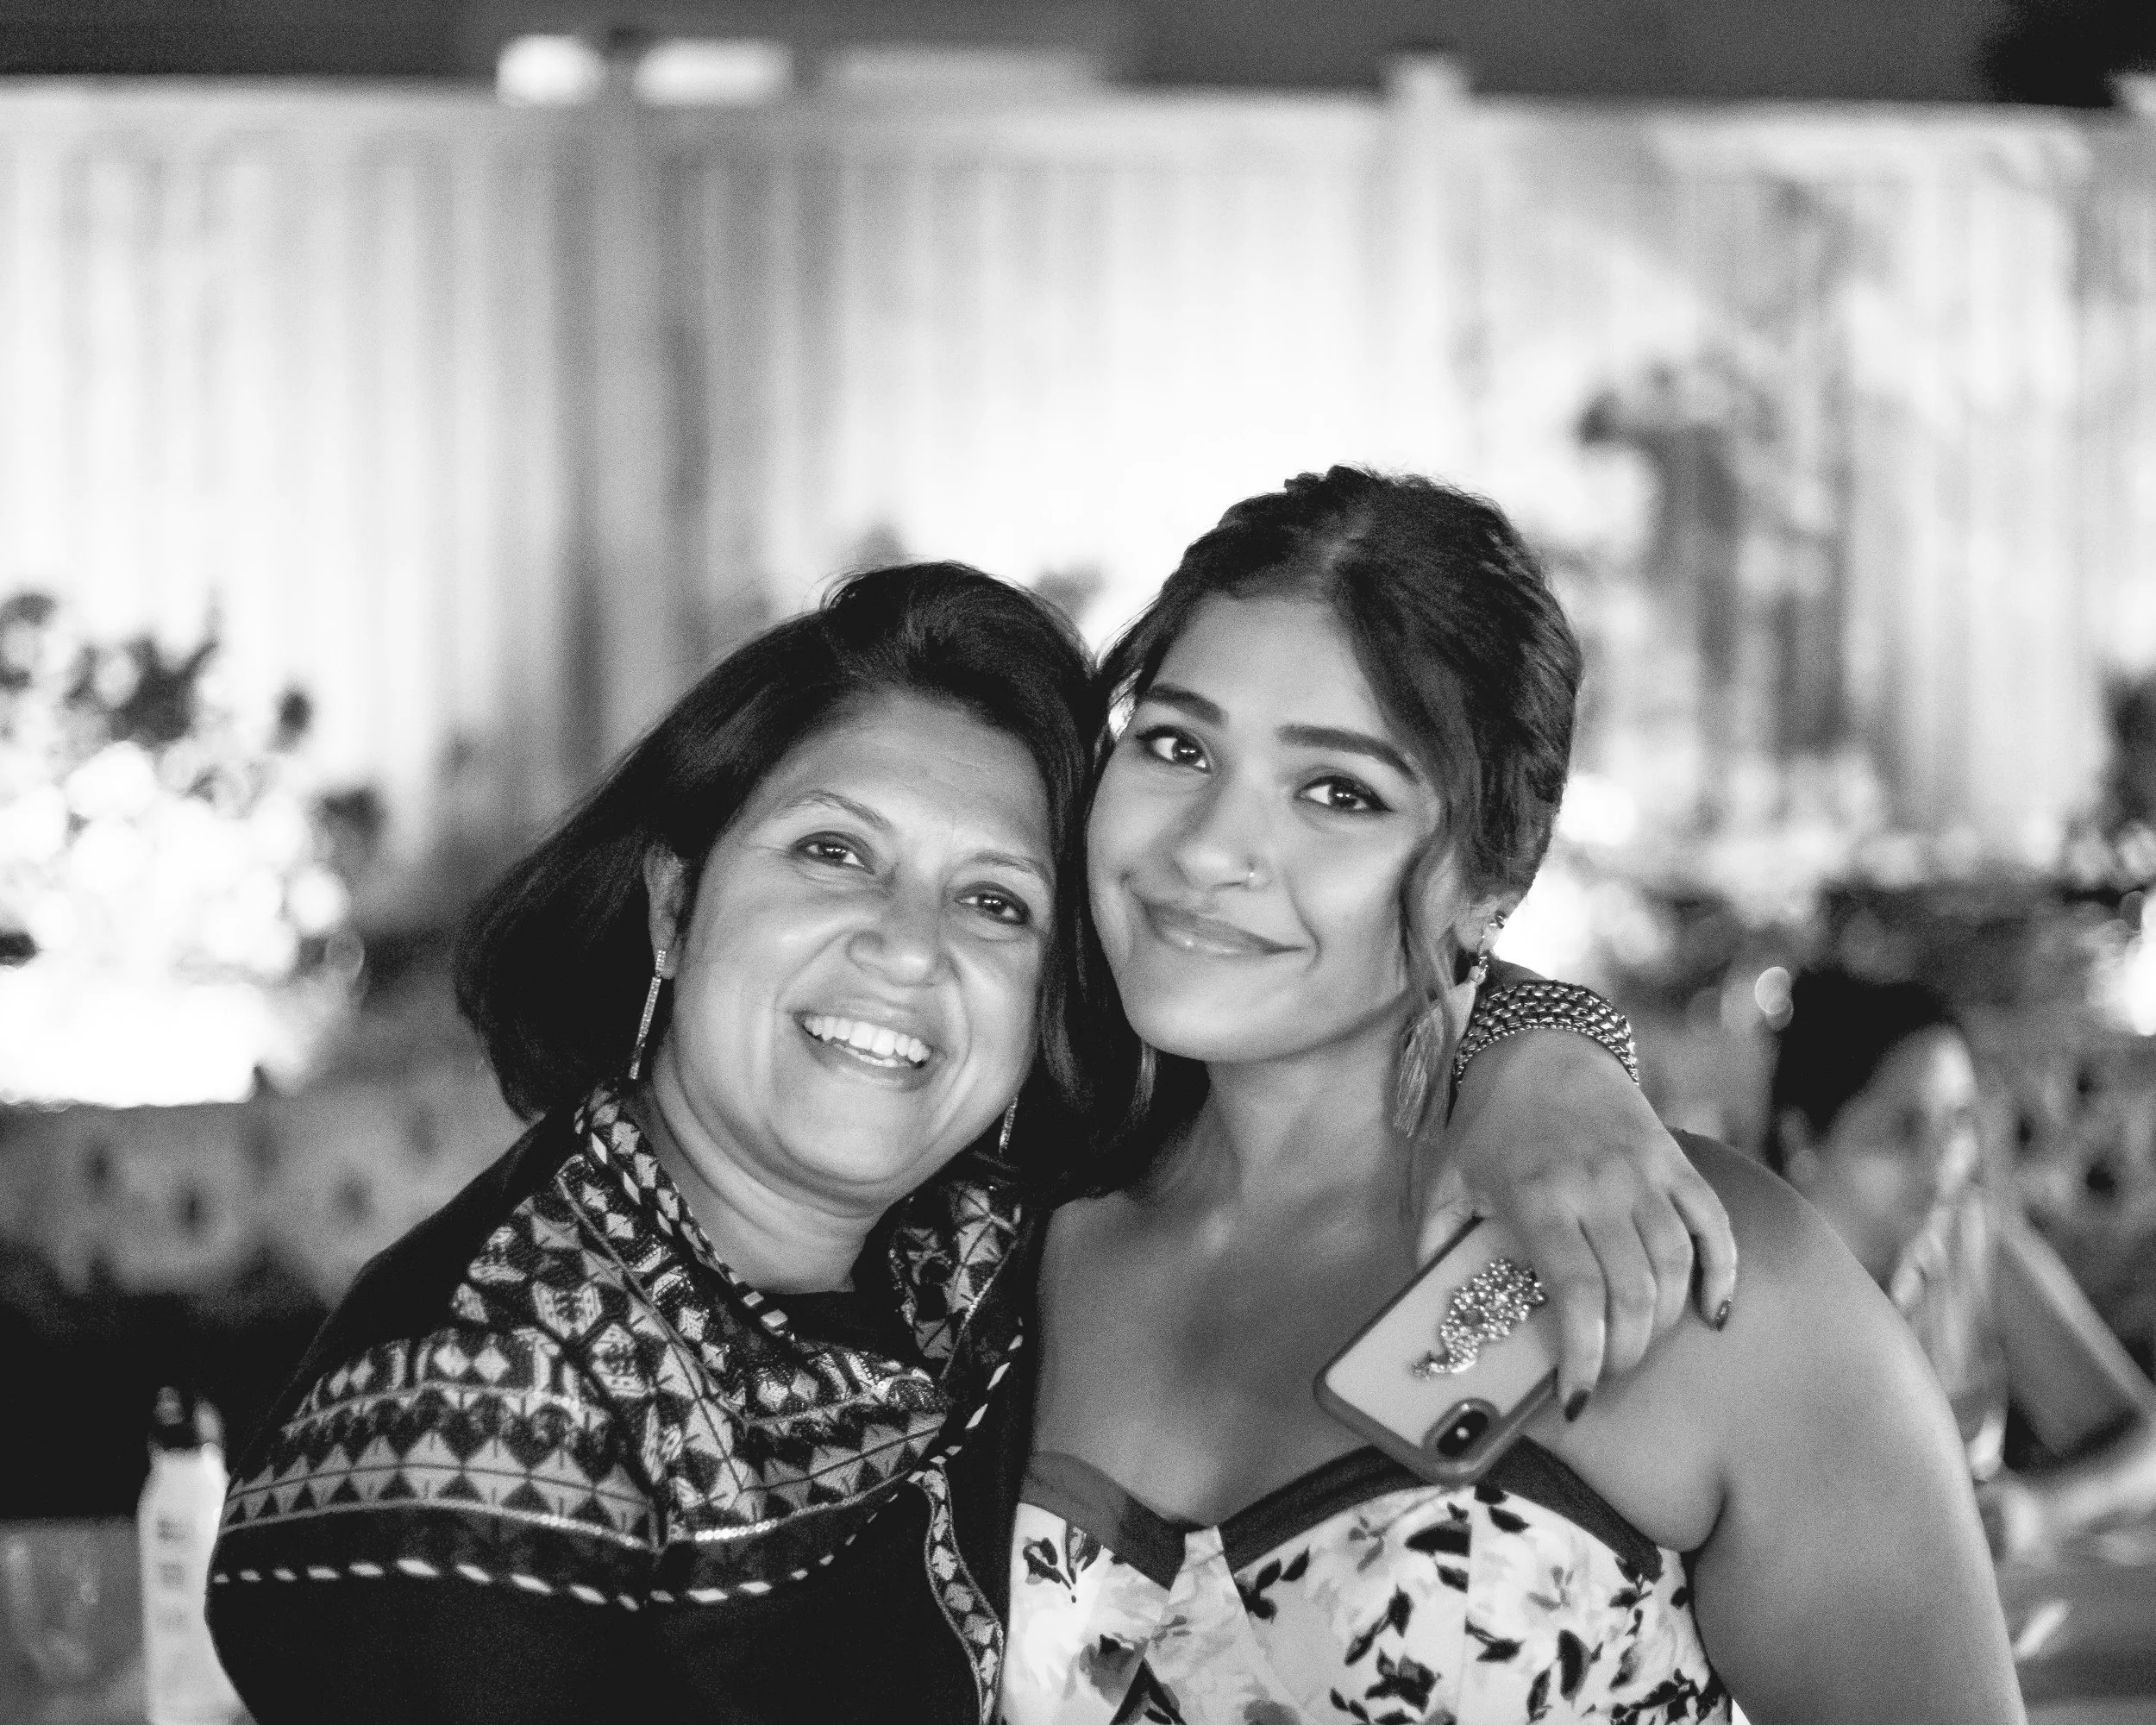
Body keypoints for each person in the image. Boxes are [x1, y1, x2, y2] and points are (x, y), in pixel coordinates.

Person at [204, 561, 1727, 1723]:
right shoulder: (476, 1402)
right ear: (675, 905)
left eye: (993, 900)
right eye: (833, 853)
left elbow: (1349, 1015)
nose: (906, 949)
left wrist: (1545, 1064)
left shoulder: (1000, 1225)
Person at [1001, 468, 2022, 1725]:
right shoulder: (1024, 1245)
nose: (1209, 847)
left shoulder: (1711, 1281)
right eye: (1177, 743)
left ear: (1491, 883)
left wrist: (1546, 1043)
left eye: (1339, 793)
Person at [1770, 967, 2156, 1560]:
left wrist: (2040, 1511)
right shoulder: (1746, 1294)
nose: (1943, 1165)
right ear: (1802, 1141)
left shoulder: (1971, 1249)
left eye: (1958, 1123)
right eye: (1900, 1131)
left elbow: (2146, 1449)